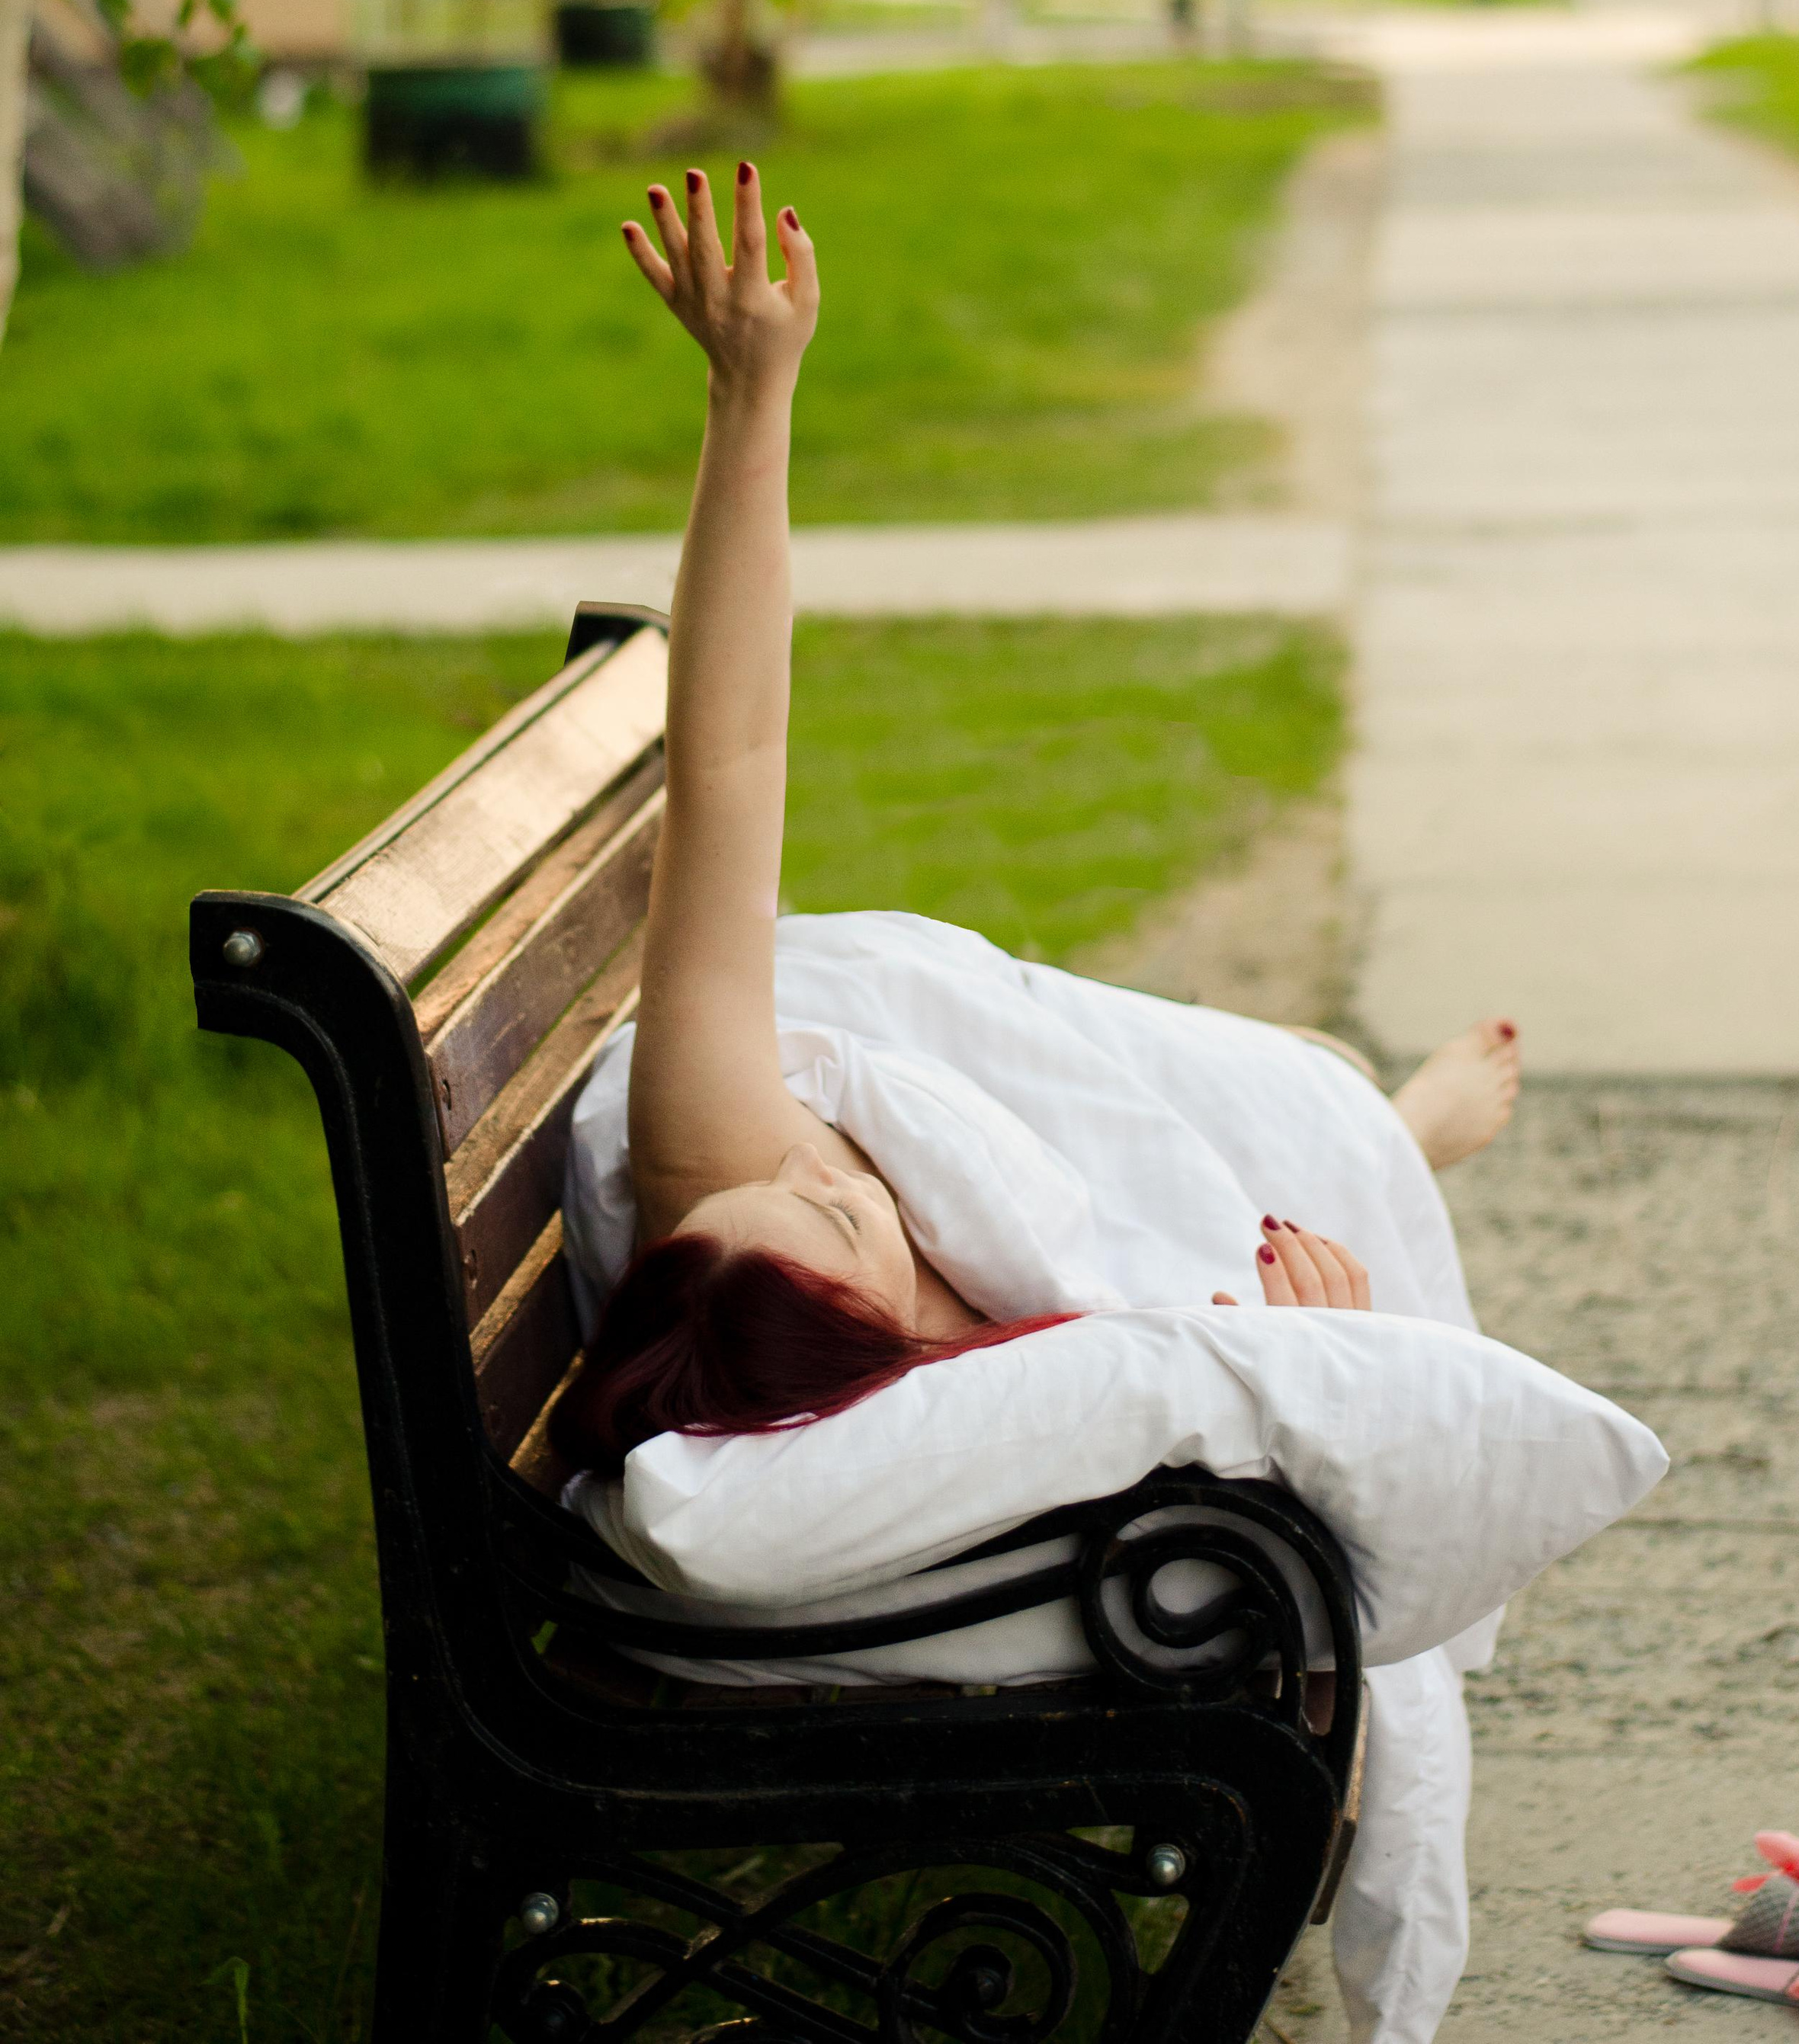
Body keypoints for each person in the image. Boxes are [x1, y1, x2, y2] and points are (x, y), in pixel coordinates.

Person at [553, 158, 1524, 2044]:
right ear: (909, 1345)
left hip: (876, 1119)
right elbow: (1160, 1360)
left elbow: (732, 750)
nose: (860, 1194)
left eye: (803, 1193)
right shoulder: (965, 1388)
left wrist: (750, 396)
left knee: (1291, 1105)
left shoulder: (702, 1155)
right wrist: (1302, 1381)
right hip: (1081, 1330)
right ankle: (1381, 1134)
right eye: (853, 1231)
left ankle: (1372, 1126)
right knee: (1306, 1170)